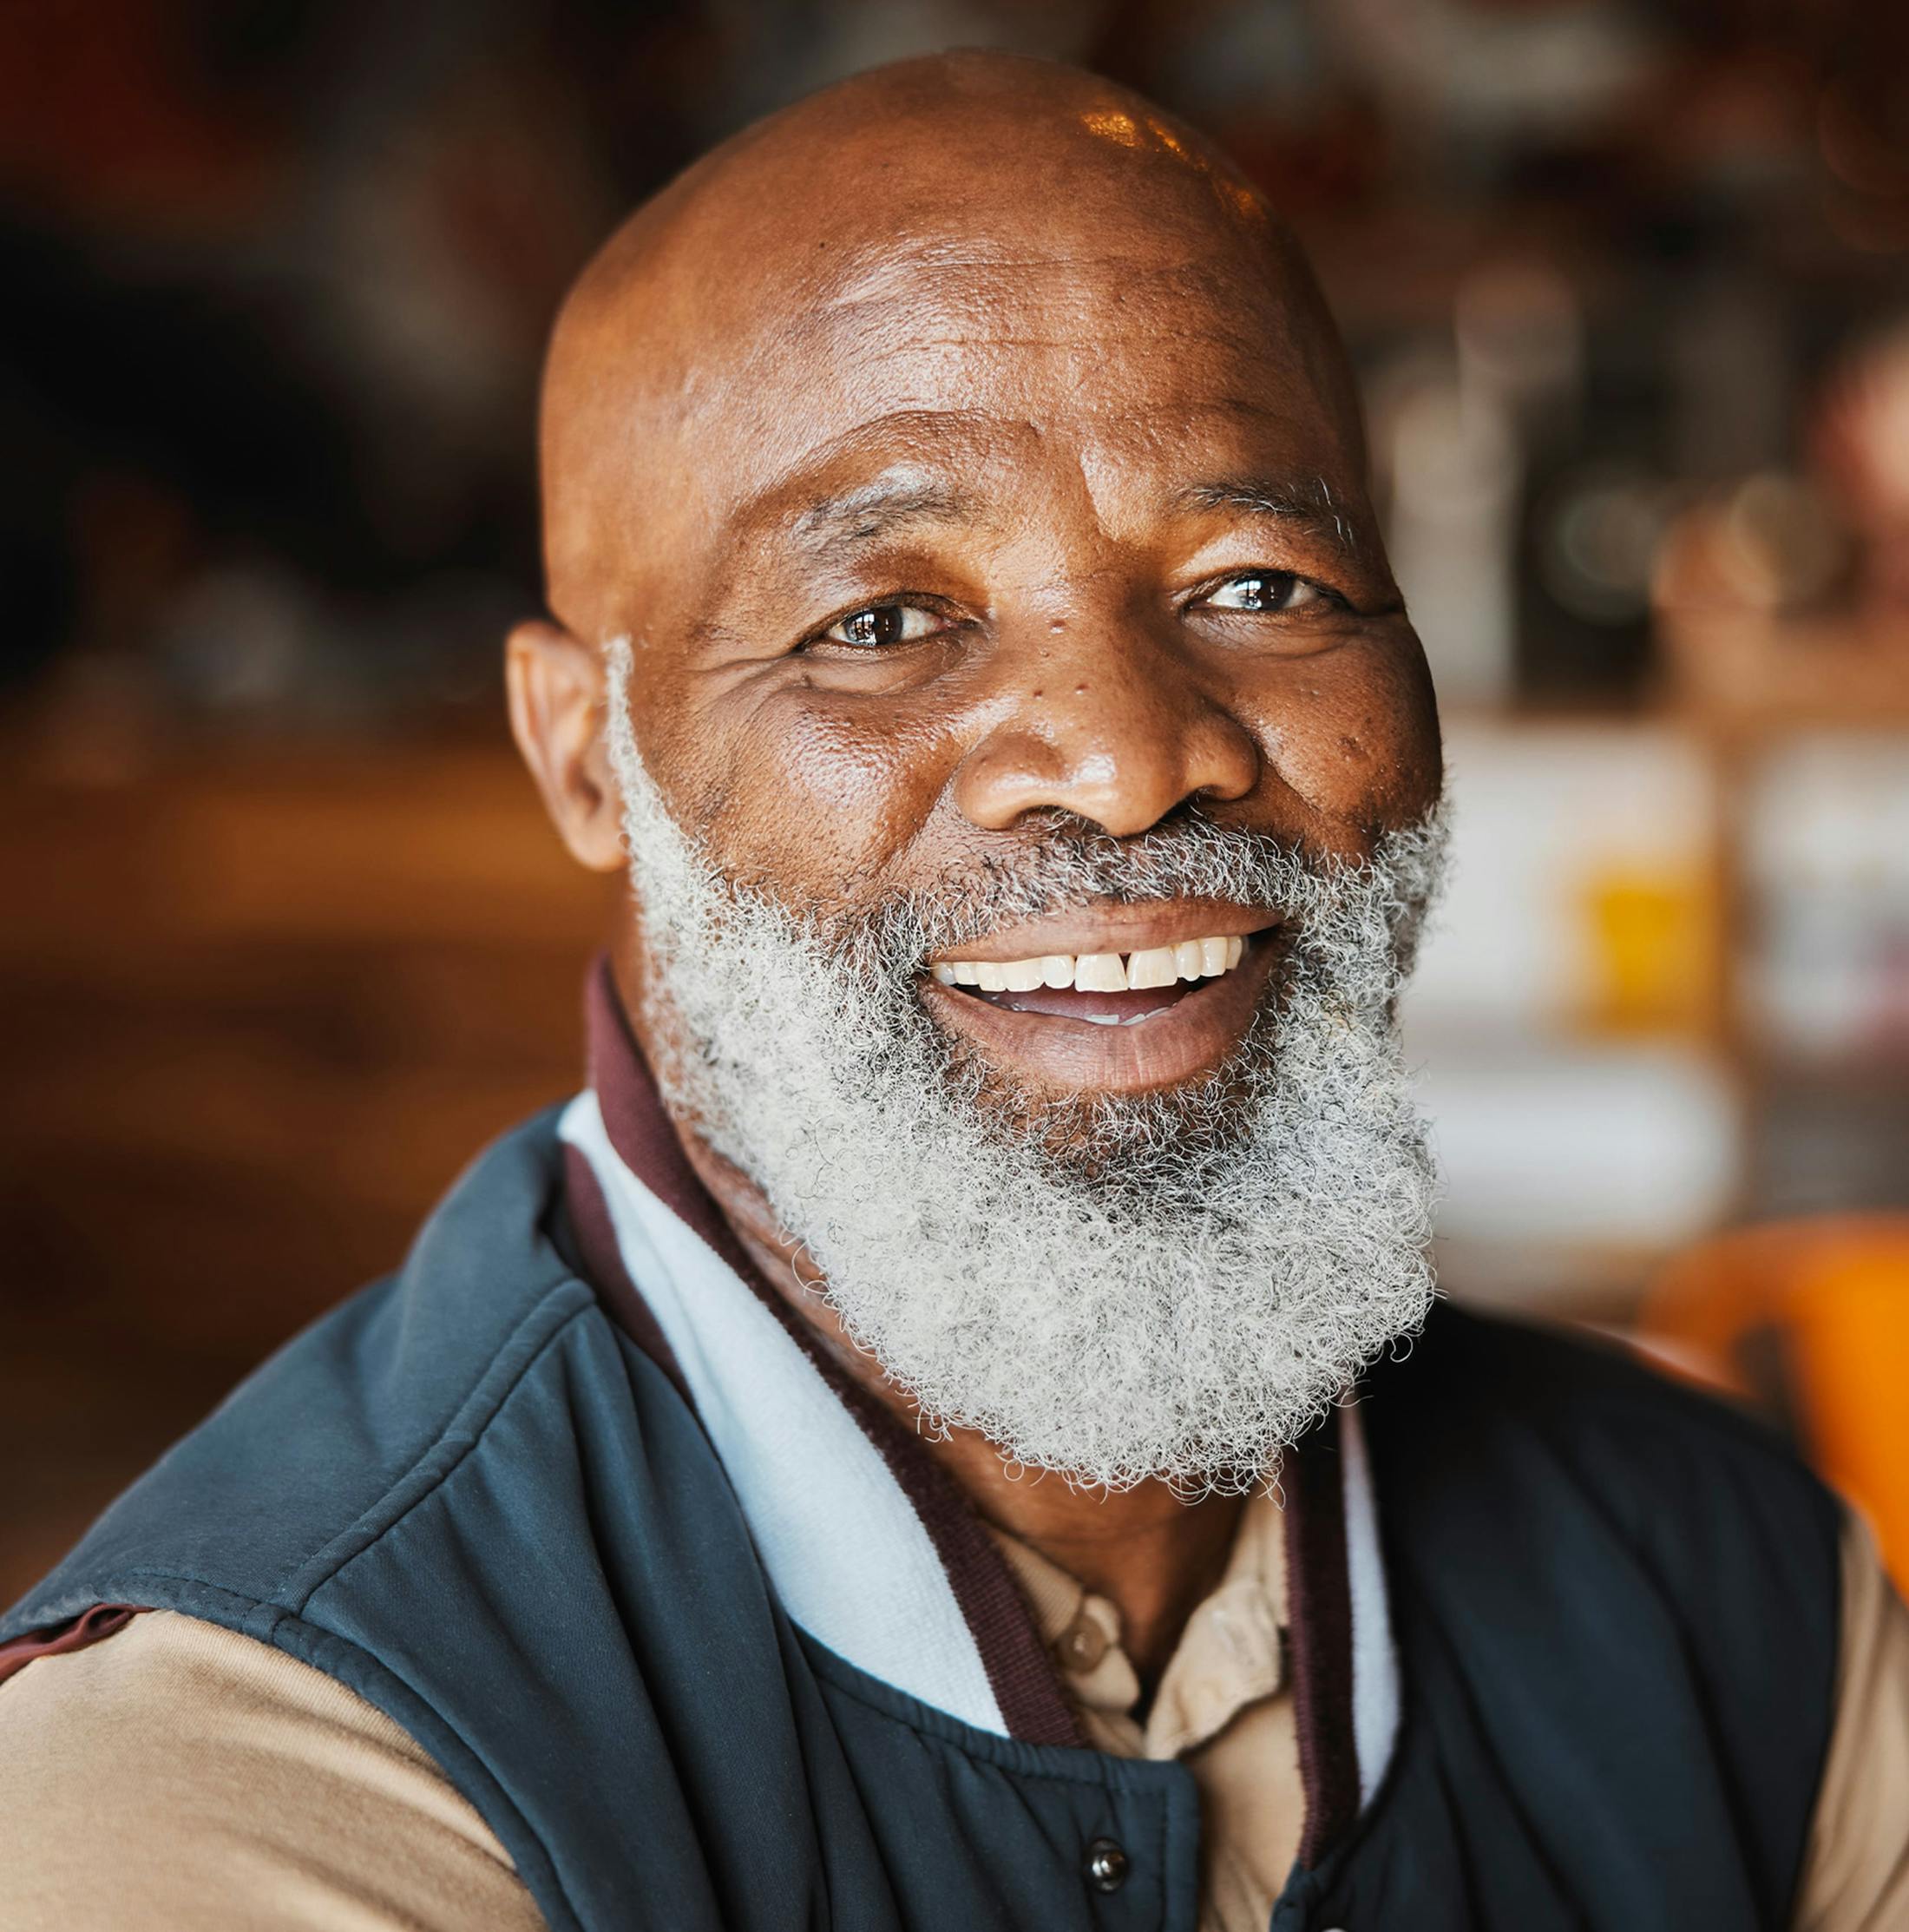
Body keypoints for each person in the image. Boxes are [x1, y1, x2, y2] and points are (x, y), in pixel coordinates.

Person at [2, 50, 1904, 1932]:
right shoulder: (260, 1779)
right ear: (588, 756)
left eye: (1258, 583)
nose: (1120, 752)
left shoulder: (1735, 1605)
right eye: (883, 623)